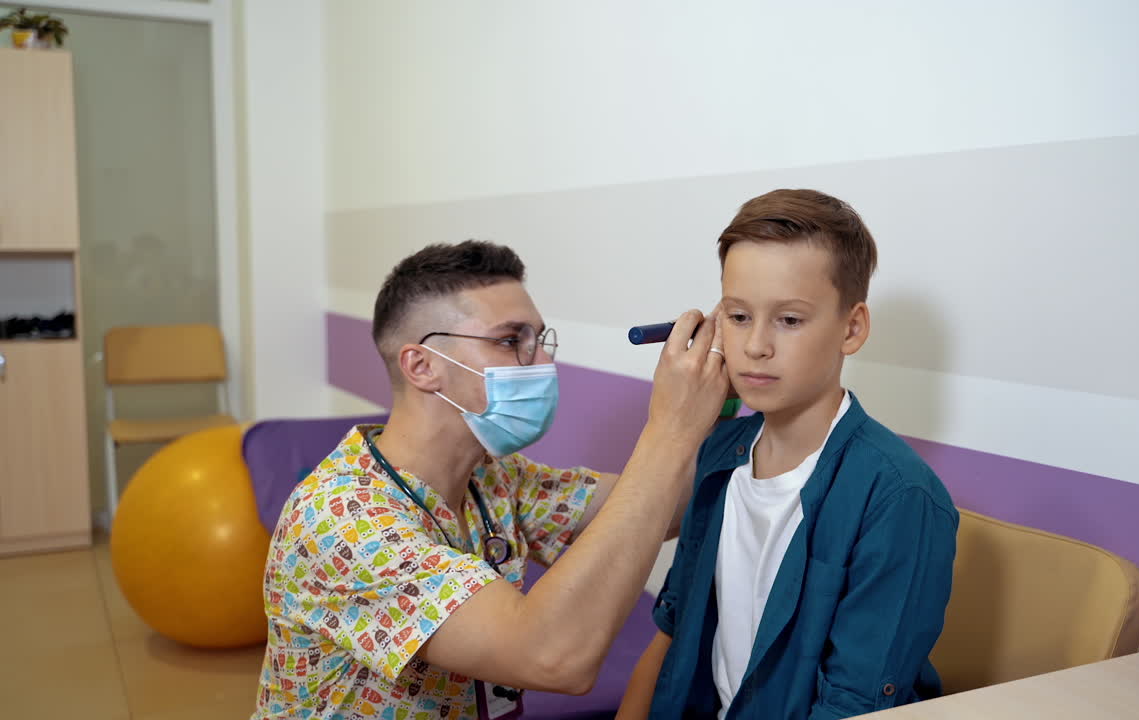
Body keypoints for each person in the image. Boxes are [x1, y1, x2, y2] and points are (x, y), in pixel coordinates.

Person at [253, 240, 729, 719]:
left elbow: (667, 507)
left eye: (540, 340)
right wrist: (668, 430)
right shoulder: (342, 520)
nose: (542, 362)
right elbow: (553, 658)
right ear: (422, 366)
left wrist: (724, 400)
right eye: (510, 341)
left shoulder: (494, 478)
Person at [618, 189, 959, 719]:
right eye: (737, 316)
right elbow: (674, 630)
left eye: (790, 320)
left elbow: (854, 702)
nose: (755, 345)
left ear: (852, 328)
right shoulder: (718, 455)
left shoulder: (899, 496)